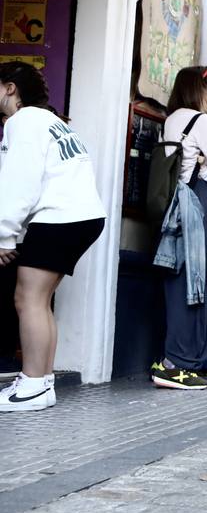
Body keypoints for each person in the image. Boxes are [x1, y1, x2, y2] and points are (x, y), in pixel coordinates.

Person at [0, 62, 105, 412]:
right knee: (39, 299)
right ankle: (41, 383)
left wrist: (4, 236)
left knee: (27, 298)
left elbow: (19, 181)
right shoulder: (52, 121)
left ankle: (32, 384)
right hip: (81, 217)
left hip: (59, 218)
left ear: (10, 88)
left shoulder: (22, 121)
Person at [153, 66, 207, 390]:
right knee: (201, 284)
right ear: (198, 90)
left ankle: (174, 359)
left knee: (180, 281)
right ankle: (178, 364)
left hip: (177, 203)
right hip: (199, 205)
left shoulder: (172, 118)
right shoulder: (202, 121)